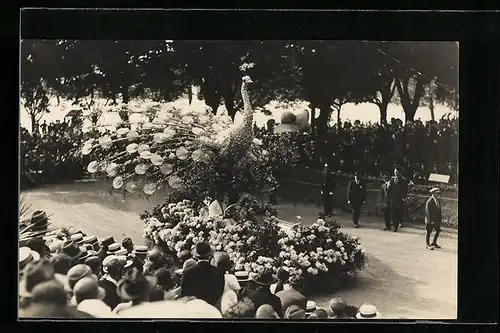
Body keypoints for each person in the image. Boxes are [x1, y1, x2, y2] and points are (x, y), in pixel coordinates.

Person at [180, 242, 225, 306]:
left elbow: (184, 293)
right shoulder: (218, 271)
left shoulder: (187, 272)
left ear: (196, 256)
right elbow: (219, 292)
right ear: (209, 256)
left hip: (194, 307)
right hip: (211, 306)